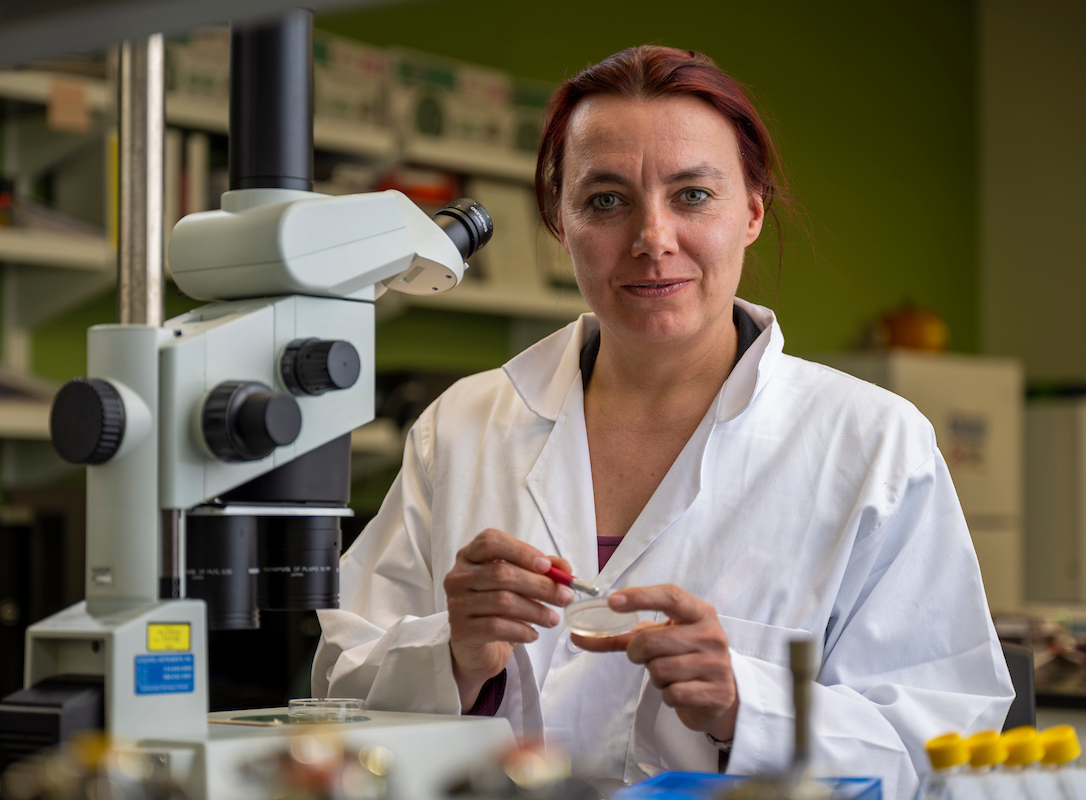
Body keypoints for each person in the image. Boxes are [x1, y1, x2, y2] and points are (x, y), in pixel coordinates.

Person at [312, 45, 1013, 799]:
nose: (652, 239)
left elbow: (952, 745)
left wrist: (752, 705)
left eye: (692, 196)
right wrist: (453, 653)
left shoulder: (872, 443)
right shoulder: (462, 427)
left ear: (751, 211)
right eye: (606, 200)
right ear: (560, 221)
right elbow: (337, 693)